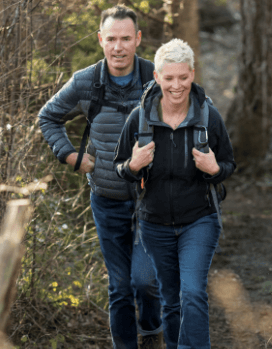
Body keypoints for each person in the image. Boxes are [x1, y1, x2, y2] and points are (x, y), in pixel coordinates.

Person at [37, 5, 163, 349]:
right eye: (111, 39)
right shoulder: (86, 81)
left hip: (152, 201)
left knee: (146, 282)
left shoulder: (157, 78)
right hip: (106, 201)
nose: (118, 47)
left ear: (138, 39)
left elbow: (190, 118)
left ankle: (152, 331)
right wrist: (71, 157)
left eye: (125, 38)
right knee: (120, 287)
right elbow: (48, 117)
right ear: (100, 40)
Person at [114, 39, 236, 349]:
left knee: (192, 292)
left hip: (199, 220)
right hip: (154, 223)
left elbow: (228, 165)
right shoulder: (139, 119)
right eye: (169, 78)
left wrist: (213, 169)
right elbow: (120, 168)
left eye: (183, 77)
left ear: (192, 74)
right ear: (156, 77)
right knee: (170, 300)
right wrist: (133, 164)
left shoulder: (208, 117)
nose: (177, 85)